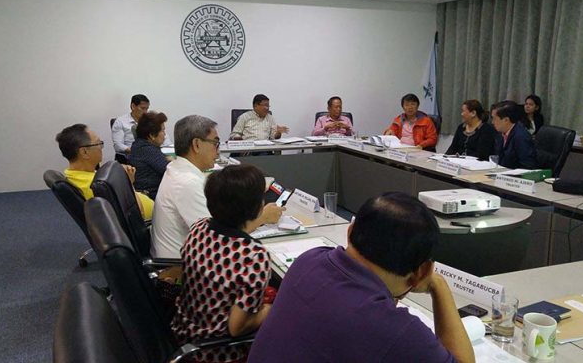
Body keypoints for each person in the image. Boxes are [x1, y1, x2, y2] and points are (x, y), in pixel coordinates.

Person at [248, 192, 475, 363]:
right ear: (422, 272)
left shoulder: (309, 260)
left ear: (349, 231)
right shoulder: (395, 330)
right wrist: (438, 284)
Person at [172, 164, 282, 363]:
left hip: (184, 332)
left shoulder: (199, 227)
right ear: (258, 207)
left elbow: (229, 239)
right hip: (217, 352)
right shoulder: (254, 256)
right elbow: (237, 327)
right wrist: (272, 309)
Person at [151, 115, 281, 258]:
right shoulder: (187, 182)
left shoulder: (176, 168)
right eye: (215, 143)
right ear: (197, 144)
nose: (218, 151)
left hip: (192, 260)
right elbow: (219, 239)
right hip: (181, 271)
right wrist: (262, 217)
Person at [55, 123, 154, 219]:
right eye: (99, 143)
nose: (101, 148)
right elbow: (135, 213)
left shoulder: (77, 174)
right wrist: (128, 183)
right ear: (84, 152)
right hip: (151, 222)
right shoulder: (95, 186)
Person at [129, 111, 171, 200]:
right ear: (152, 135)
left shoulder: (139, 145)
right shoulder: (147, 150)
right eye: (163, 130)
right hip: (152, 197)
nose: (165, 134)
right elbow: (171, 171)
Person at [491, 100, 538, 169]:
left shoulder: (521, 137)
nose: (492, 122)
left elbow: (527, 167)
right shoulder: (501, 133)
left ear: (506, 120)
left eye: (494, 119)